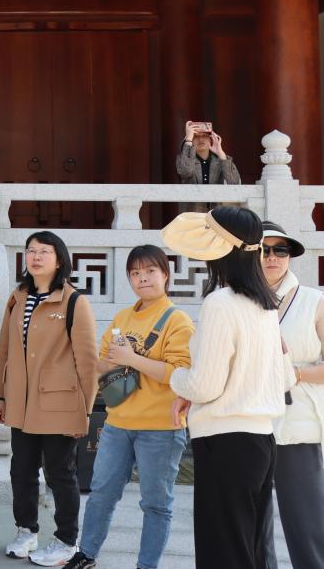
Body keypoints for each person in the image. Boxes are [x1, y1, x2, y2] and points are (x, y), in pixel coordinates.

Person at [162, 206, 293, 569]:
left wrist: (176, 379)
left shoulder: (220, 302)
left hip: (226, 441)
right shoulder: (265, 305)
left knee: (223, 551)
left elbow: (204, 384)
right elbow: (284, 378)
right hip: (261, 440)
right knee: (249, 550)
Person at [64, 245, 195, 569]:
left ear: (165, 275)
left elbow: (180, 375)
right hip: (118, 423)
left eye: (150, 271)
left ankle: (146, 565)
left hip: (161, 428)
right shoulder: (123, 317)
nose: (142, 278)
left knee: (156, 504)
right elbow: (102, 364)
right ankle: (86, 554)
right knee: (101, 493)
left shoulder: (177, 320)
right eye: (135, 273)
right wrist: (111, 361)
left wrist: (131, 358)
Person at [0, 231, 98, 566]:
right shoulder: (17, 298)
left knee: (60, 473)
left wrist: (85, 411)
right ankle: (26, 531)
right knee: (21, 469)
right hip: (21, 403)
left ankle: (66, 540)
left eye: (44, 251)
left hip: (60, 405)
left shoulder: (74, 301)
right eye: (31, 251)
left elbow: (87, 361)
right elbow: (4, 348)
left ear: (59, 258)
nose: (35, 257)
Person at [258, 221, 324, 569]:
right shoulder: (236, 300)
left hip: (297, 420)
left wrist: (293, 374)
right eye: (263, 249)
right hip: (250, 418)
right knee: (253, 521)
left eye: (280, 250)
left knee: (306, 520)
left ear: (290, 255)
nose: (272, 257)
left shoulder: (314, 301)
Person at [176, 121, 240, 212]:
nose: (201, 139)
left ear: (211, 139)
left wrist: (221, 154)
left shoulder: (220, 161)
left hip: (215, 214)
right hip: (191, 214)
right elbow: (186, 171)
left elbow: (234, 184)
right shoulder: (184, 158)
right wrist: (188, 140)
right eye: (196, 136)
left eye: (205, 136)